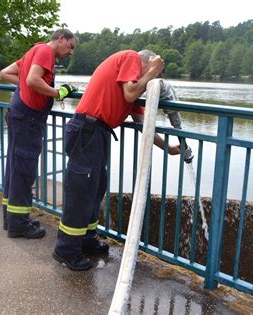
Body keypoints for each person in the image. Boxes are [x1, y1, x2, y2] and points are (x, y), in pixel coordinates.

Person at [53, 50, 181, 271]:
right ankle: (65, 249)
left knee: (96, 188)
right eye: (151, 69)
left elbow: (143, 125)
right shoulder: (131, 57)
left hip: (96, 132)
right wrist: (152, 72)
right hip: (87, 129)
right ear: (147, 62)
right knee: (81, 190)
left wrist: (168, 148)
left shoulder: (132, 81)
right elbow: (131, 93)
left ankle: (87, 239)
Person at [0, 29, 78, 239]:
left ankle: (12, 219)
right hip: (28, 119)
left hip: (19, 114)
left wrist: (27, 87)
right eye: (70, 46)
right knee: (24, 170)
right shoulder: (45, 51)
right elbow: (33, 80)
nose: (70, 52)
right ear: (60, 38)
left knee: (16, 167)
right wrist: (58, 92)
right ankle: (19, 225)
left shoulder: (35, 50)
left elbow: (5, 73)